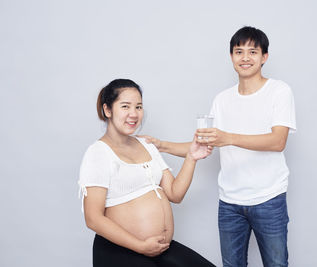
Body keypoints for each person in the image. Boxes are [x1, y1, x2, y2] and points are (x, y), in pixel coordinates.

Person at [143, 26, 296, 267]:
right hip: (230, 202)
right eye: (238, 51)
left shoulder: (279, 91)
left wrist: (229, 138)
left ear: (264, 57)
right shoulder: (222, 99)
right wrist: (160, 145)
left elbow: (278, 142)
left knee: (277, 265)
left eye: (252, 52)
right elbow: (201, 147)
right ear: (231, 57)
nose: (245, 58)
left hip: (269, 198)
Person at [78, 79, 215, 267]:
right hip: (121, 250)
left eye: (139, 107)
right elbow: (93, 218)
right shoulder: (98, 153)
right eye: (125, 106)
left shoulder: (146, 145)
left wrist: (191, 157)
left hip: (158, 248)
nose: (134, 114)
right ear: (107, 110)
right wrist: (140, 246)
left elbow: (175, 194)